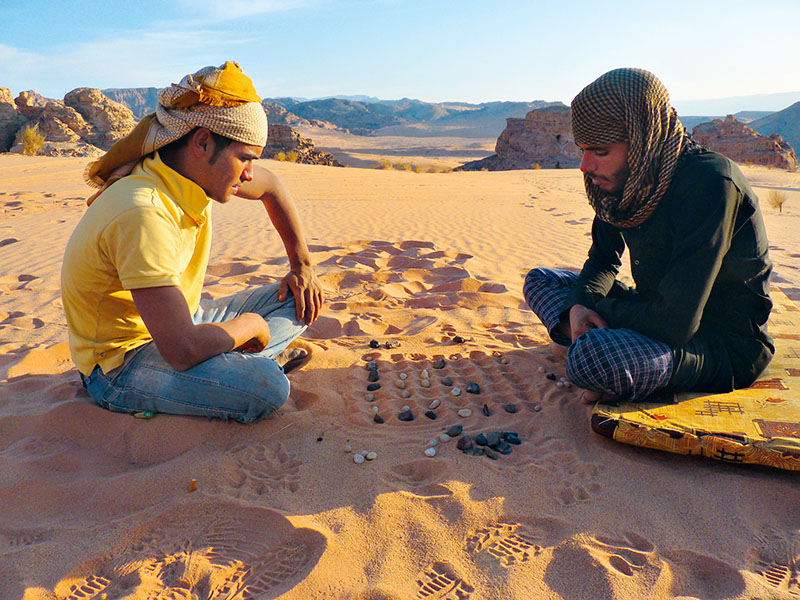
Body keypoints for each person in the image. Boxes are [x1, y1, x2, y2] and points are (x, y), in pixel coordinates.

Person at [61, 62, 323, 422]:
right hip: (121, 364)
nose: (249, 174)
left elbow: (272, 186)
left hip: (183, 320)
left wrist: (302, 267)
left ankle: (228, 363)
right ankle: (244, 362)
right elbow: (182, 350)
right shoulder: (144, 211)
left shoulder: (192, 172)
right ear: (202, 141)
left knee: (301, 299)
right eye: (244, 158)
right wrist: (252, 327)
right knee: (267, 387)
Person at [523, 68, 773, 402]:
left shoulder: (711, 183)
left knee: (592, 357)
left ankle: (599, 346)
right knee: (541, 281)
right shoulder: (626, 179)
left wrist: (598, 310)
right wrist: (581, 306)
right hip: (652, 313)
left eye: (599, 152)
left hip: (716, 343)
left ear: (642, 140)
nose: (584, 166)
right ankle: (600, 341)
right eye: (582, 150)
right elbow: (602, 259)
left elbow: (677, 323)